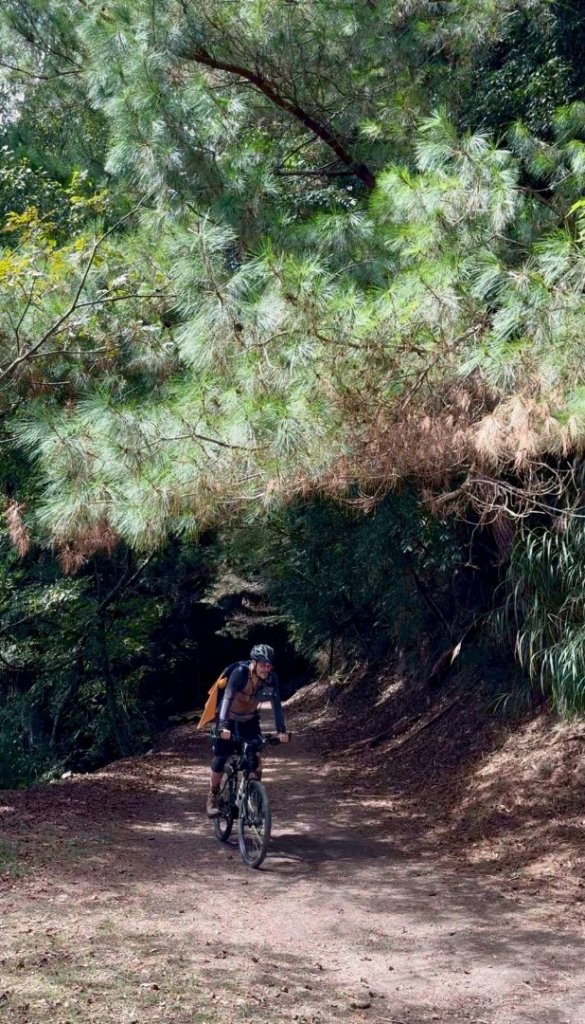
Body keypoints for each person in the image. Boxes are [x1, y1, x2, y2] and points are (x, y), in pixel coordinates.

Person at [206, 643, 289, 817]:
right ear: (254, 662)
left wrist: (281, 730)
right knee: (221, 756)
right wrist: (222, 726)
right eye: (263, 664)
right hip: (229, 718)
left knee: (255, 758)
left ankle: (254, 795)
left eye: (269, 665)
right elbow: (227, 698)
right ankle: (213, 794)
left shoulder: (271, 679)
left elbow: (276, 706)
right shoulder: (240, 674)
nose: (267, 668)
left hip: (250, 720)